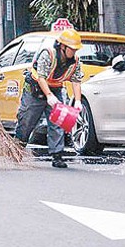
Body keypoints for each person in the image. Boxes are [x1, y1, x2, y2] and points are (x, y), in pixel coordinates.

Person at [15, 28, 84, 168]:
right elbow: (41, 77)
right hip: (35, 90)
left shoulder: (75, 61)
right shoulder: (49, 54)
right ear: (62, 46)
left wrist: (77, 101)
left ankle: (57, 155)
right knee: (27, 120)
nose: (74, 52)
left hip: (56, 89)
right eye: (72, 49)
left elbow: (76, 80)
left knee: (58, 122)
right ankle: (18, 148)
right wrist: (48, 96)